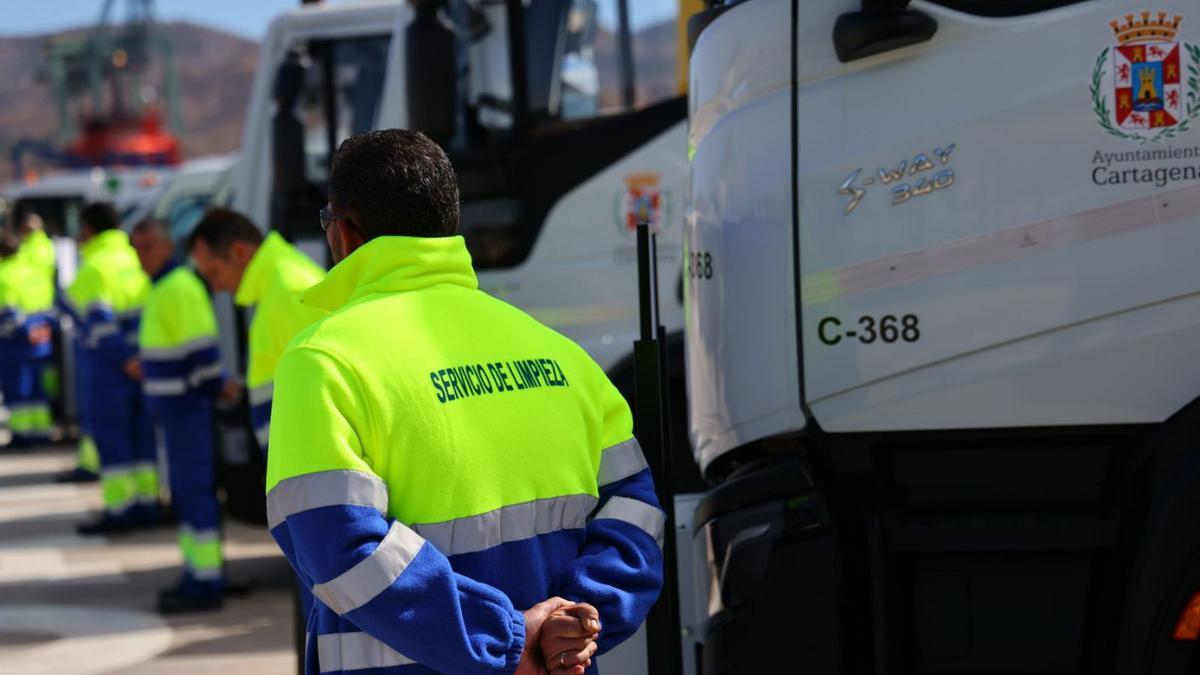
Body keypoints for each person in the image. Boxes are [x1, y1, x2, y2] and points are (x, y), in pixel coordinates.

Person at [266, 129, 664, 674]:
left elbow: (337, 550)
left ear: (343, 234)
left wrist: (506, 639)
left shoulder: (324, 361)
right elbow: (636, 512)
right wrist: (573, 626)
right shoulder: (561, 354)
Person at [129, 219, 229, 613]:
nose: (142, 256)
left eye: (149, 246)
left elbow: (203, 353)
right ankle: (197, 574)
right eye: (137, 248)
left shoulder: (178, 287)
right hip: (176, 409)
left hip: (188, 408)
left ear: (168, 246)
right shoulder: (165, 287)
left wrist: (212, 387)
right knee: (186, 496)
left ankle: (206, 582)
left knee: (195, 494)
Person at [187, 208, 325, 454]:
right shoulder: (279, 285)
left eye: (214, 273)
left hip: (306, 464)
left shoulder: (287, 290)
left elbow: (321, 394)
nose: (216, 287)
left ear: (239, 252)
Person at [66, 203, 160, 534]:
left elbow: (98, 323)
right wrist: (138, 358)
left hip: (109, 369)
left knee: (114, 441)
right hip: (144, 363)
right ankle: (148, 505)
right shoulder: (135, 258)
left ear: (89, 230)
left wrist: (124, 358)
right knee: (142, 438)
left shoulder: (94, 267)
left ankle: (120, 511)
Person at [0, 231, 54, 446]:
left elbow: (8, 313)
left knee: (19, 389)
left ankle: (22, 435)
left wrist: (26, 331)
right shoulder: (34, 272)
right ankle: (42, 432)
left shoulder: (4, 275)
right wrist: (42, 328)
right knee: (39, 389)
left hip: (15, 343)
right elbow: (48, 303)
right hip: (42, 340)